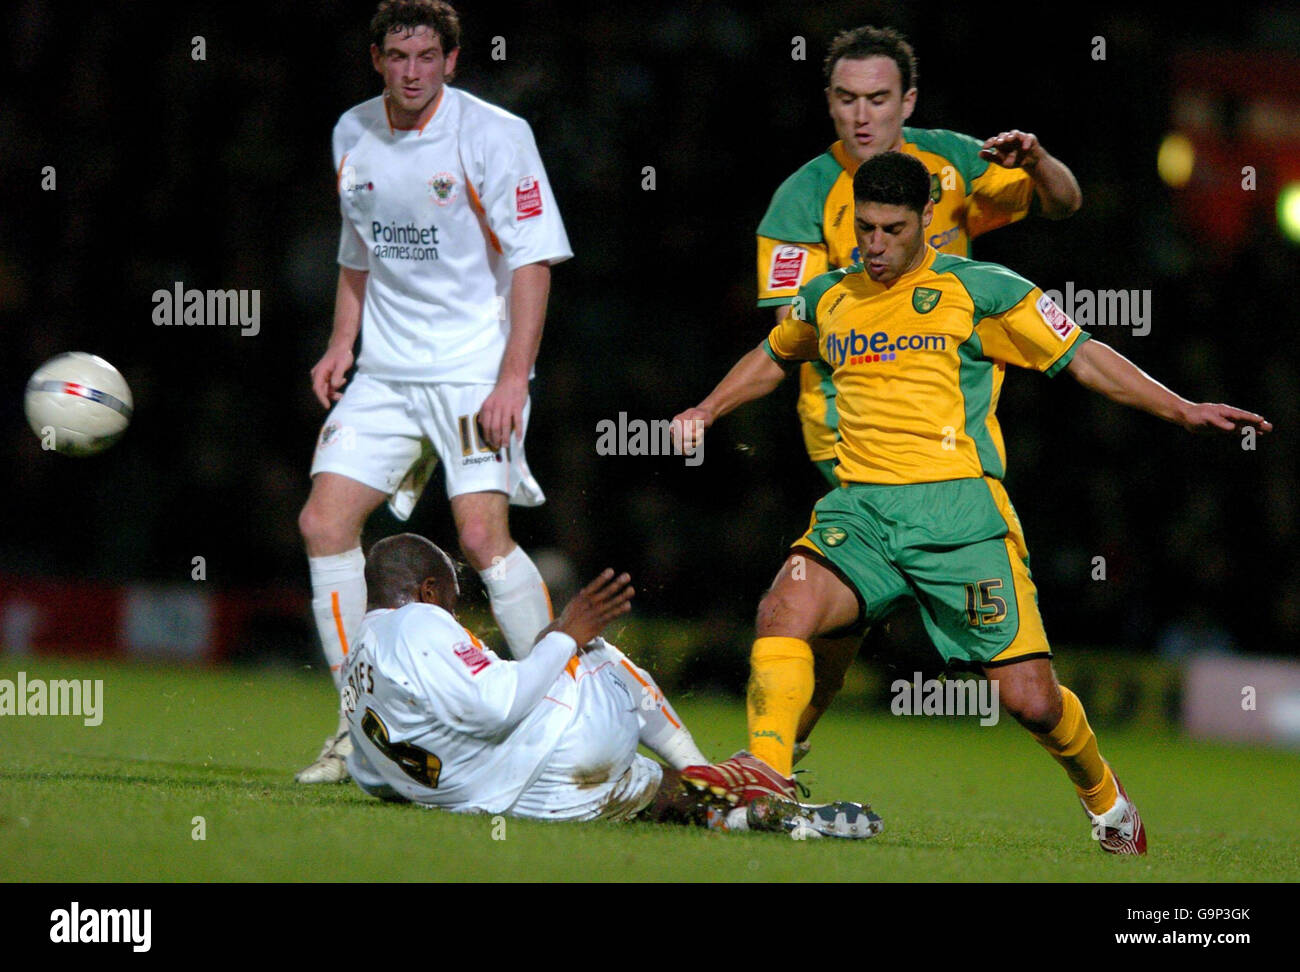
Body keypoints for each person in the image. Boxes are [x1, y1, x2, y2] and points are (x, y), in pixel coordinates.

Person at [673, 152, 1273, 854]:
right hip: (861, 513)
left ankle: (1108, 804)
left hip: (959, 521)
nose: (874, 244)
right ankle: (770, 780)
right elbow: (776, 353)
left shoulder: (981, 289)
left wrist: (1181, 409)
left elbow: (1082, 354)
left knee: (1030, 699)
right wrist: (708, 408)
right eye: (864, 228)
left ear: (928, 219)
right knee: (784, 609)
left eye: (891, 229)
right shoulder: (828, 297)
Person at [757, 26, 1083, 748]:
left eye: (878, 99)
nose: (862, 116)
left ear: (908, 100)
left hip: (947, 427)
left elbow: (1061, 204)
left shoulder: (957, 163)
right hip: (848, 437)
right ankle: (773, 763)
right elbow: (792, 326)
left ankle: (778, 759)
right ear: (829, 103)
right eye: (846, 99)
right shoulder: (801, 199)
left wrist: (1040, 161)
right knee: (813, 620)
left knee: (833, 627)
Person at [296, 0, 571, 783]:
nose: (412, 72)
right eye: (397, 56)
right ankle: (361, 726)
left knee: (483, 540)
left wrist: (512, 378)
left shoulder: (495, 135)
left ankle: (566, 698)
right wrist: (342, 342)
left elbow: (533, 263)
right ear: (376, 59)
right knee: (323, 523)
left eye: (427, 57)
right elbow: (360, 249)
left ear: (452, 61)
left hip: (472, 369)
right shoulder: (351, 133)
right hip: (386, 372)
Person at [341, 534, 883, 839]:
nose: (457, 618)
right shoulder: (414, 619)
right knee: (594, 650)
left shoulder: (352, 675)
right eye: (454, 604)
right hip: (554, 757)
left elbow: (376, 779)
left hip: (532, 803)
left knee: (649, 789)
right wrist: (565, 637)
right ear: (430, 589)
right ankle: (717, 772)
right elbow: (496, 704)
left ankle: (743, 816)